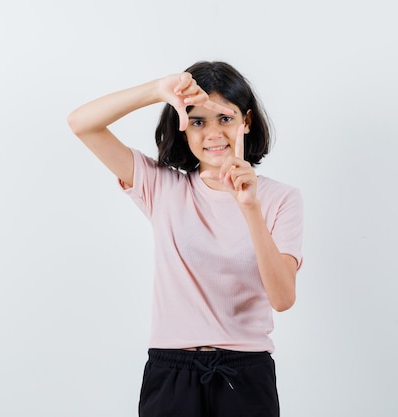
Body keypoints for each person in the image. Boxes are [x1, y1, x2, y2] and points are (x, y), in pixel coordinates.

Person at [67, 61, 303, 417]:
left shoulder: (281, 199)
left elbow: (283, 298)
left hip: (245, 375)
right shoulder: (162, 186)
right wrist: (157, 90)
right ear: (182, 128)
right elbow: (81, 123)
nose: (212, 133)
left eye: (225, 118)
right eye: (197, 121)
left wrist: (250, 207)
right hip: (171, 372)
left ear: (247, 121)